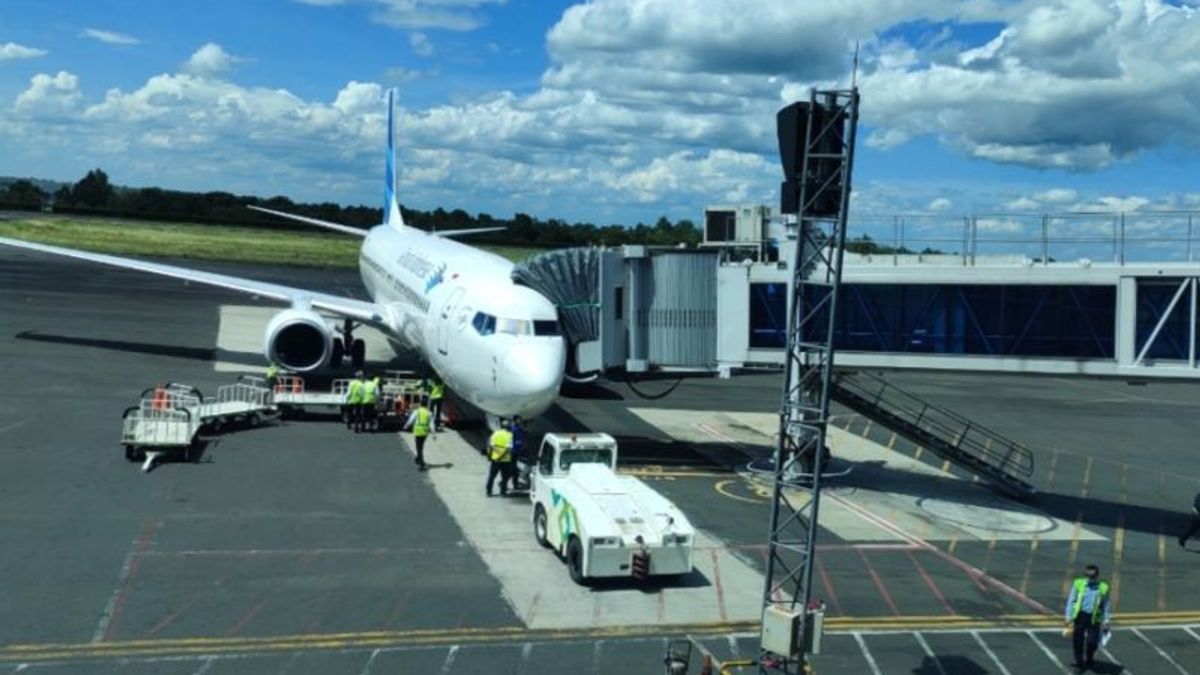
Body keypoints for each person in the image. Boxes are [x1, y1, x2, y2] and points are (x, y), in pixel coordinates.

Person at [1064, 564, 1111, 672]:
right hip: (1080, 616)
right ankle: (1079, 662)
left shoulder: (1103, 587)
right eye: (1087, 575)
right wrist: (1068, 617)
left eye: (1092, 576)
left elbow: (1106, 605)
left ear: (1097, 575)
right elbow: (1071, 601)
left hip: (1094, 618)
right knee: (1078, 641)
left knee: (1093, 642)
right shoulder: (1078, 584)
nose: (1089, 578)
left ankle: (1089, 658)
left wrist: (1107, 620)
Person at [486, 418, 514, 496]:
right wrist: (501, 457)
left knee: (491, 476)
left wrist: (490, 456)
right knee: (505, 477)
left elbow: (491, 446)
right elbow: (508, 449)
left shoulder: (495, 433)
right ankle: (503, 491)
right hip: (505, 460)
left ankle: (489, 491)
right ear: (508, 427)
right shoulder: (509, 435)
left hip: (495, 459)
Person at [403, 397, 433, 470]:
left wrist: (406, 426)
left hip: (418, 431)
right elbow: (432, 424)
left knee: (418, 447)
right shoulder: (429, 413)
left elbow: (411, 420)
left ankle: (421, 463)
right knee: (421, 446)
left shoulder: (417, 411)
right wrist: (434, 433)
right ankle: (418, 458)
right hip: (425, 432)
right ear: (427, 404)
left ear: (420, 404)